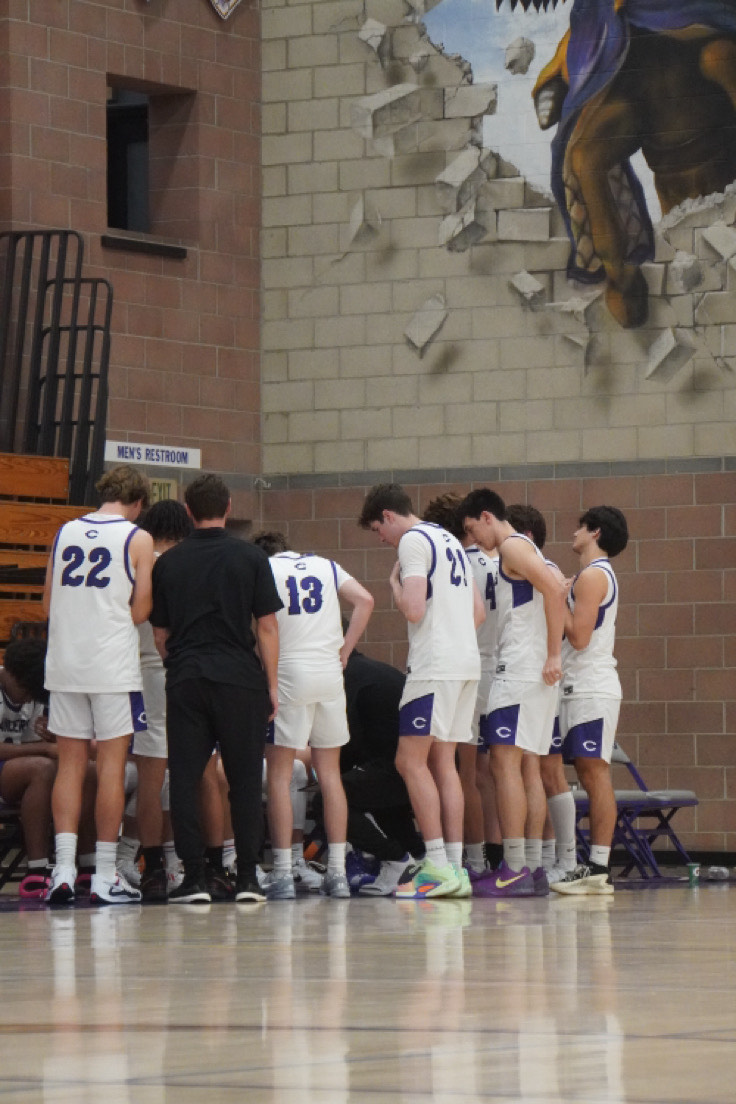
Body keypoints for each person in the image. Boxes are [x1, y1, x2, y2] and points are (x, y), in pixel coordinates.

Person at [150, 474, 282, 905]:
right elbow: (266, 626)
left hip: (186, 678)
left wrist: (181, 666)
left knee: (185, 780)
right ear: (227, 506)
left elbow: (160, 635)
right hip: (240, 680)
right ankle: (247, 878)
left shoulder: (167, 563)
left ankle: (193, 880)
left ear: (188, 510)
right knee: (244, 782)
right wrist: (272, 685)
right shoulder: (250, 557)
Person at [358, 483, 483, 899]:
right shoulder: (450, 539)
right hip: (466, 664)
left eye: (378, 529)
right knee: (444, 764)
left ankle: (434, 863)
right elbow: (478, 614)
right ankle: (454, 867)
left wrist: (394, 586)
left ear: (389, 516)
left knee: (409, 761)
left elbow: (413, 609)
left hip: (434, 665)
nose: (381, 538)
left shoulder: (412, 541)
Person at [44, 464, 154, 906]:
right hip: (111, 666)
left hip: (65, 664)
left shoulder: (64, 531)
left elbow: (49, 604)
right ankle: (105, 874)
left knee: (69, 765)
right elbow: (142, 609)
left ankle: (63, 870)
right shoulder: (137, 537)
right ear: (139, 502)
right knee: (111, 766)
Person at [252, 530, 374, 900]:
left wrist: (268, 680)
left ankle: (285, 873)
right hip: (328, 673)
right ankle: (336, 873)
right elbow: (366, 600)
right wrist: (345, 650)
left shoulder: (264, 568)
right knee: (330, 774)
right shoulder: (325, 564)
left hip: (290, 672)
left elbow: (264, 626)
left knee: (279, 775)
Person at [458, 488, 567, 898]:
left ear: (487, 517)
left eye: (473, 530)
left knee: (504, 765)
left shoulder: (513, 548)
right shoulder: (530, 552)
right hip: (534, 676)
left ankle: (515, 866)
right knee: (529, 768)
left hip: (520, 671)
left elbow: (555, 593)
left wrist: (554, 653)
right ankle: (533, 868)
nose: (474, 541)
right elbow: (556, 587)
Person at [551, 506, 629, 896]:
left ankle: (598, 866)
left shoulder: (595, 575)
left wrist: (555, 596)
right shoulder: (591, 576)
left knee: (596, 774)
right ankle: (591, 865)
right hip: (579, 686)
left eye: (580, 525)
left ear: (594, 532)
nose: (574, 531)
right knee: (587, 773)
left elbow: (578, 638)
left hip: (591, 686)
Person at [506, 504, 578, 887]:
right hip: (539, 678)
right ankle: (553, 858)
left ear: (525, 538)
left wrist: (552, 653)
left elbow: (572, 633)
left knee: (540, 769)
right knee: (540, 769)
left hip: (541, 678)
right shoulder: (541, 573)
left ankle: (562, 858)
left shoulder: (543, 570)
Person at [133, 499, 193, 902]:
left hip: (146, 676)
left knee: (152, 781)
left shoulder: (139, 560)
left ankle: (153, 867)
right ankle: (180, 863)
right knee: (192, 776)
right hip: (185, 673)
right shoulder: (187, 563)